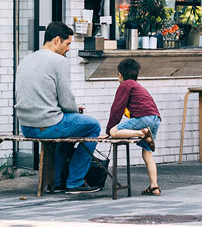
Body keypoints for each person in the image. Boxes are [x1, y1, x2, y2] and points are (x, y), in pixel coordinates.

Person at [15, 21, 102, 194]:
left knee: (68, 129)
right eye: (67, 43)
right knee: (93, 126)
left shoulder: (26, 59)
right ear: (56, 40)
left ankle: (55, 181)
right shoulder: (58, 61)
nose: (69, 48)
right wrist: (75, 109)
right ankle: (75, 182)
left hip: (26, 126)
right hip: (47, 125)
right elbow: (66, 98)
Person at [106, 58, 162, 196]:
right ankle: (154, 186)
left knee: (114, 131)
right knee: (147, 153)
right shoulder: (138, 86)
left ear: (120, 74)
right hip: (155, 118)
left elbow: (116, 109)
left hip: (143, 118)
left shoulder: (125, 85)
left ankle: (142, 134)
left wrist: (109, 131)